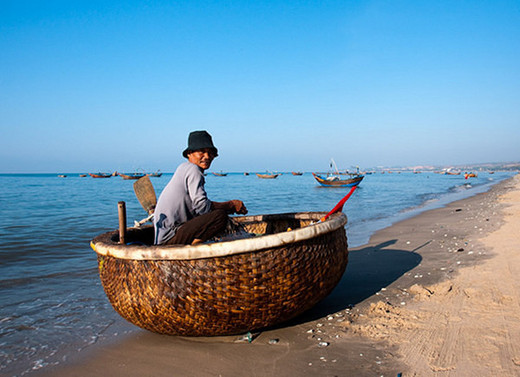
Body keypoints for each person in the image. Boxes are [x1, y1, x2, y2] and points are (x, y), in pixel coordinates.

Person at [153, 130, 247, 245]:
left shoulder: (183, 168)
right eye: (201, 152)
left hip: (169, 234)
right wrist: (231, 205)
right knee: (220, 216)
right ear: (190, 153)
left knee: (217, 215)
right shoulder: (193, 169)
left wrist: (230, 207)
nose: (207, 157)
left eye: (210, 153)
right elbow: (203, 207)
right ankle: (193, 248)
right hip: (170, 239)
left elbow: (199, 210)